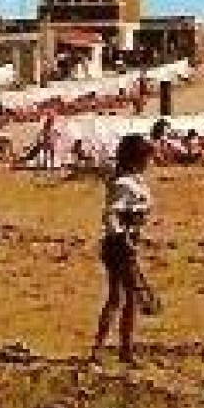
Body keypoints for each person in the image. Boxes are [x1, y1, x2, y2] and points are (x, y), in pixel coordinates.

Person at [90, 134, 155, 366]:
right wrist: (123, 239)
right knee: (124, 297)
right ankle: (117, 350)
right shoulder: (123, 184)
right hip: (120, 244)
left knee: (121, 297)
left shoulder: (131, 180)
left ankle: (109, 349)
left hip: (125, 242)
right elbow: (110, 215)